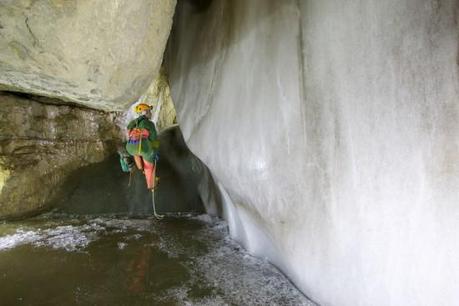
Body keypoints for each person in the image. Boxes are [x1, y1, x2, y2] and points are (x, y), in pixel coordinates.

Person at [125, 103, 160, 190]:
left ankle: (140, 169)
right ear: (146, 112)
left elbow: (128, 129)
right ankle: (151, 185)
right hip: (143, 148)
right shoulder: (149, 124)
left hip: (130, 146)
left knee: (136, 152)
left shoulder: (135, 122)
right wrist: (154, 153)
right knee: (149, 165)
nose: (150, 113)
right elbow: (154, 140)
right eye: (149, 111)